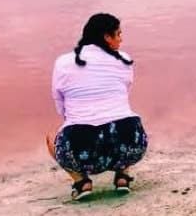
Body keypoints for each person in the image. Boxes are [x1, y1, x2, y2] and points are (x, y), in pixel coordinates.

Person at [47, 13, 148, 201]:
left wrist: (78, 123)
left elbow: (60, 104)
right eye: (118, 34)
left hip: (83, 149)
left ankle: (81, 182)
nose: (121, 38)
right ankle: (123, 177)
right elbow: (123, 95)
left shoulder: (62, 62)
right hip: (131, 145)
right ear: (106, 37)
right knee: (121, 119)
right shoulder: (124, 59)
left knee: (52, 137)